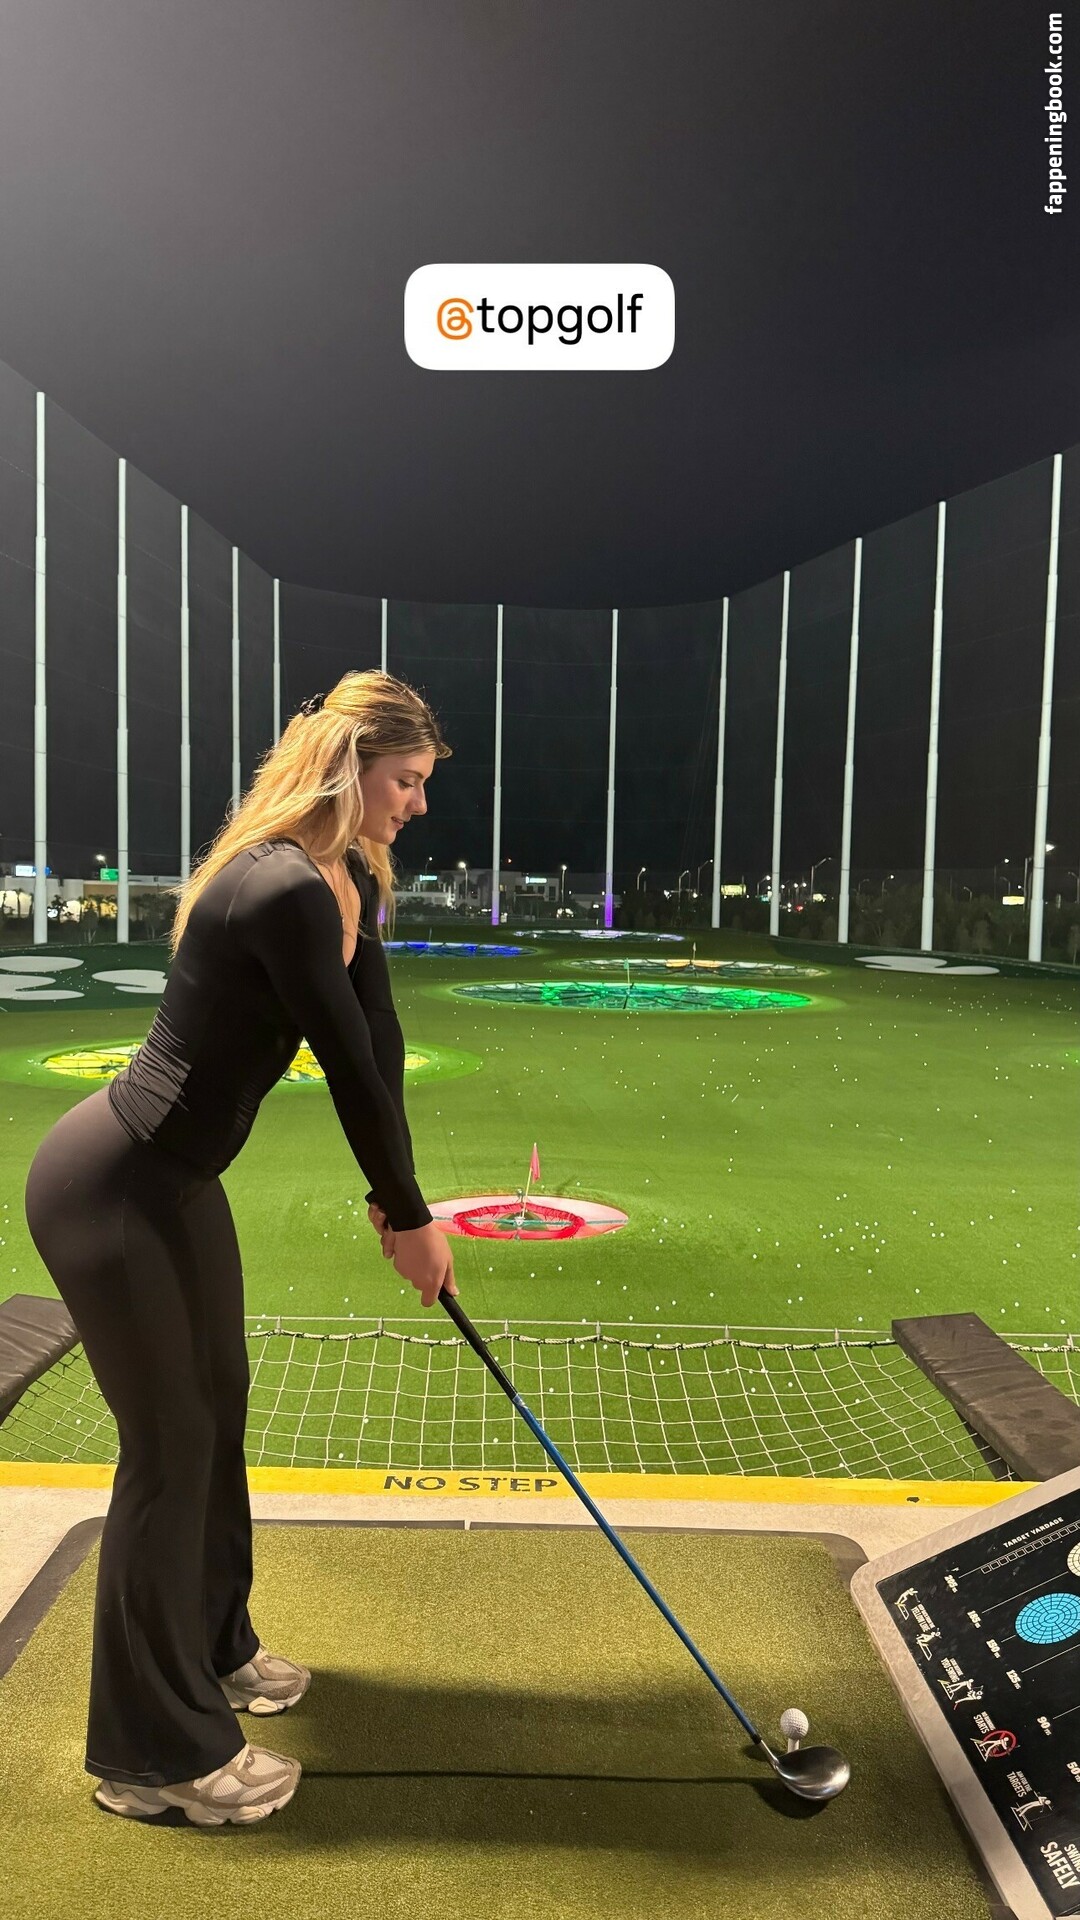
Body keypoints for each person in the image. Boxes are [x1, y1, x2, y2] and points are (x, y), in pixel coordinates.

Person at [23, 670, 457, 1827]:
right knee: (168, 1447)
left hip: (177, 1185)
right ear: (352, 766)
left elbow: (378, 1042)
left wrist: (399, 1200)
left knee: (218, 1412)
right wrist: (410, 1219)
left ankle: (214, 1649)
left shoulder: (347, 875)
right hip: (112, 1186)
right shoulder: (279, 887)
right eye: (406, 781)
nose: (417, 804)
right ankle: (151, 1756)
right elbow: (343, 1065)